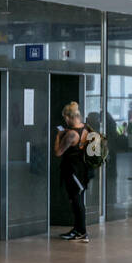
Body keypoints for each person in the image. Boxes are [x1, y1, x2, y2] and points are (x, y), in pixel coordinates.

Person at [56, 100, 91, 242]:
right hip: (84, 170)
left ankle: (82, 232)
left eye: (65, 117)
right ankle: (77, 229)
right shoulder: (86, 128)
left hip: (73, 171)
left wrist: (59, 136)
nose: (65, 120)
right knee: (78, 200)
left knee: (76, 201)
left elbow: (58, 152)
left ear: (70, 117)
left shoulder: (71, 134)